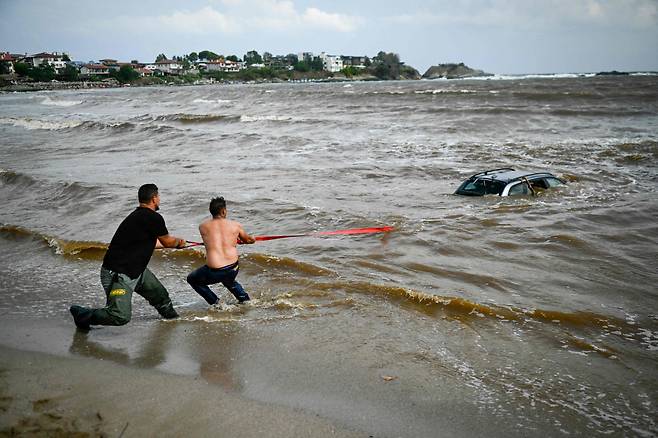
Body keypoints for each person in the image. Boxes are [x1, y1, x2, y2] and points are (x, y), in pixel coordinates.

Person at [69, 184, 187, 330]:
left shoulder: (137, 216)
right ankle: (82, 315)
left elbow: (150, 243)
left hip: (137, 271)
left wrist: (173, 244)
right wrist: (179, 242)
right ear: (154, 198)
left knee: (161, 297)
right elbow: (168, 241)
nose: (159, 200)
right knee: (119, 316)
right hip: (118, 273)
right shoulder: (153, 218)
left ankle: (174, 322)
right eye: (159, 197)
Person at [186, 196, 255, 305]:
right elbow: (248, 240)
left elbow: (213, 240)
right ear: (223, 211)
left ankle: (216, 303)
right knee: (229, 280)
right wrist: (252, 239)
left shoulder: (202, 226)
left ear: (211, 211)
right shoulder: (236, 225)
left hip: (214, 271)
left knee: (192, 279)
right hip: (233, 268)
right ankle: (245, 300)